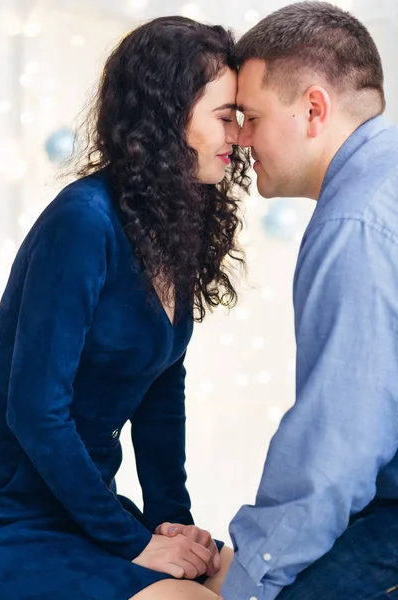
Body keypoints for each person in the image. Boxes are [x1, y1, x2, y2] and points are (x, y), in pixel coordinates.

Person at [0, 16, 250, 600]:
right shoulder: (83, 222)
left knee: (259, 579)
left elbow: (162, 393)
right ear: (168, 116)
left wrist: (173, 523)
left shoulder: (171, 226)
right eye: (224, 116)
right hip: (21, 513)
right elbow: (36, 412)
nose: (237, 135)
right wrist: (134, 543)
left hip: (90, 506)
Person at [221, 3, 398, 600]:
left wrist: (249, 578)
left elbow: (338, 443)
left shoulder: (356, 222)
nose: (240, 137)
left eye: (251, 116)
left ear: (314, 110)